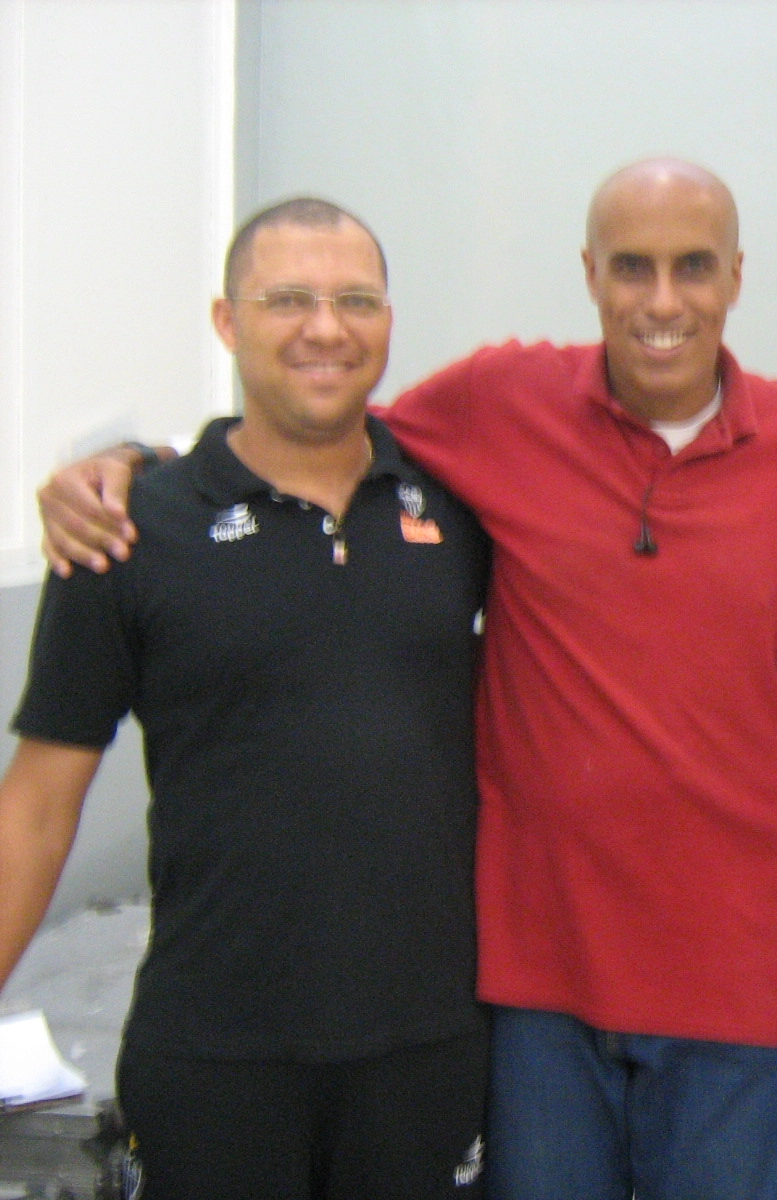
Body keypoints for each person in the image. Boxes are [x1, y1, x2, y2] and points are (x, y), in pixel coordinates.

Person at [36, 160, 777, 1200]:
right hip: (539, 987)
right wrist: (141, 472)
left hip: (735, 987)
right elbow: (315, 426)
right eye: (631, 266)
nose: (660, 298)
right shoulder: (494, 405)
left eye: (691, 266)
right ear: (589, 275)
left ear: (733, 279)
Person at [0, 198, 490, 1198]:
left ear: (389, 322)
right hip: (214, 1054)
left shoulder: (460, 507)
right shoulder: (128, 532)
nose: (325, 327)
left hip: (425, 1052)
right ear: (226, 322)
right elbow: (39, 808)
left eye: (356, 300)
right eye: (287, 300)